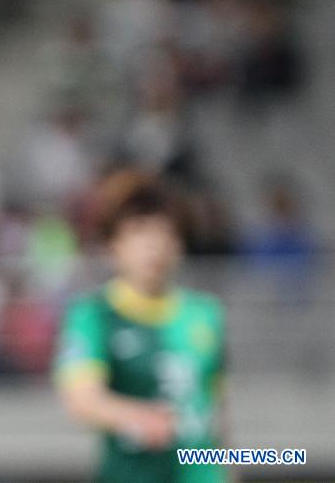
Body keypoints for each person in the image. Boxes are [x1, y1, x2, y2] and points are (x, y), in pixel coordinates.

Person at [53, 173, 226, 483]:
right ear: (113, 244)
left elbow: (217, 416)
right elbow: (82, 399)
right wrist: (137, 417)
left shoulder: (206, 314)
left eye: (166, 233)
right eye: (139, 232)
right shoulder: (95, 315)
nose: (154, 246)